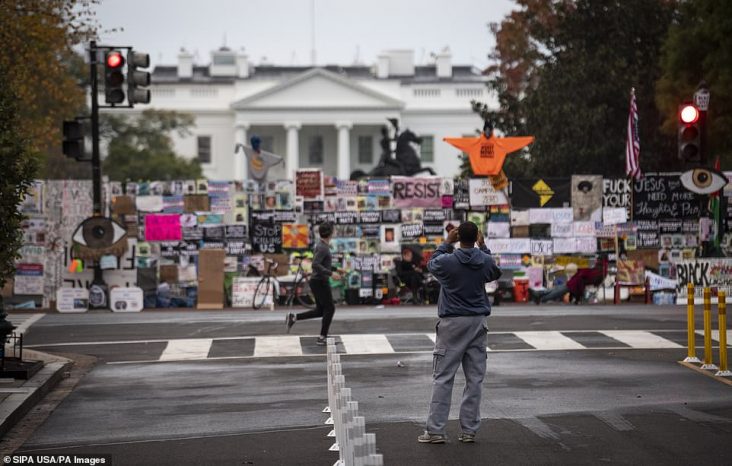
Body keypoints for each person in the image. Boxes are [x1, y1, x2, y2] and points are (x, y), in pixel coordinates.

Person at [418, 221, 502, 444]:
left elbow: (431, 264)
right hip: (477, 322)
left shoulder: (448, 262)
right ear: (476, 237)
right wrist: (483, 247)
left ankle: (435, 430)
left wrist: (446, 243)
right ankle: (469, 430)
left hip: (452, 322)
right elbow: (494, 271)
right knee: (474, 379)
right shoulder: (483, 260)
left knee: (443, 377)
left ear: (458, 237)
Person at [285, 222, 342, 345]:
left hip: (317, 281)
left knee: (321, 311)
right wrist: (331, 274)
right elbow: (315, 264)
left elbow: (322, 263)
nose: (334, 232)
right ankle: (322, 337)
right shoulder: (323, 247)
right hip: (320, 281)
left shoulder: (322, 245)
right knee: (330, 308)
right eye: (333, 230)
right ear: (330, 233)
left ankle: (294, 317)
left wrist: (336, 269)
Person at [531, 255, 608, 304]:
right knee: (557, 289)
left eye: (597, 260)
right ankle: (540, 294)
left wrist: (581, 271)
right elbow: (588, 276)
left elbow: (587, 276)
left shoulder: (599, 269)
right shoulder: (600, 269)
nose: (596, 261)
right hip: (575, 283)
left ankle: (541, 297)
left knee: (557, 291)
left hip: (576, 284)